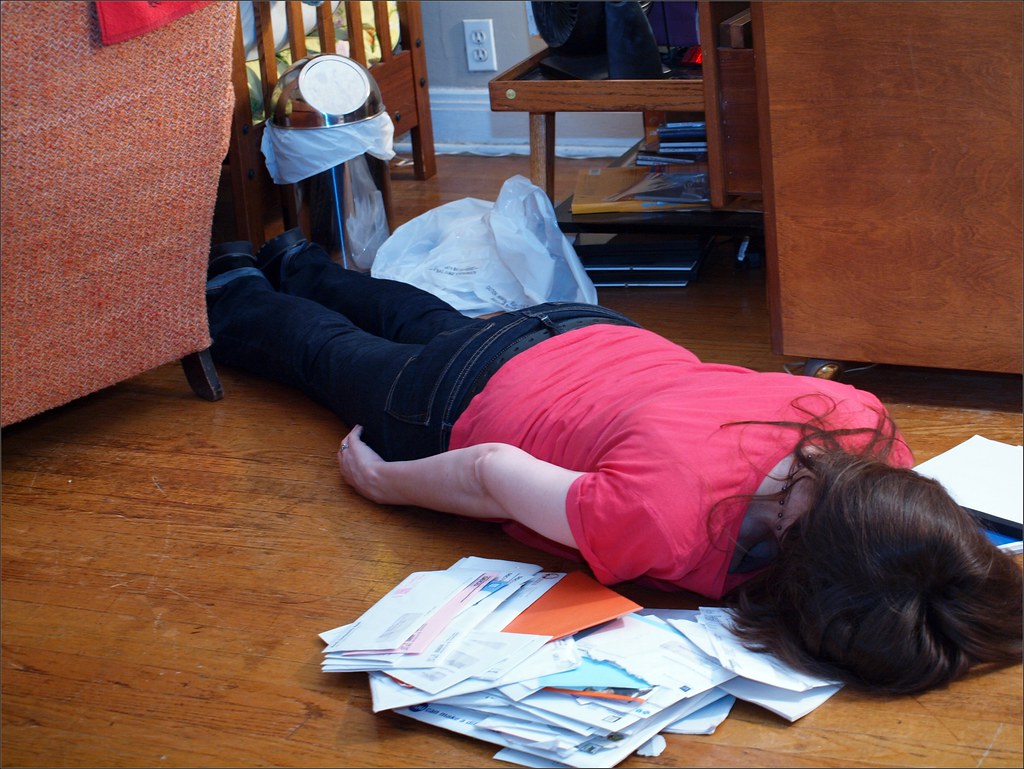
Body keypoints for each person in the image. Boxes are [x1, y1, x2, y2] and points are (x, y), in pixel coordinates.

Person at [206, 229, 1023, 696]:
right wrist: (384, 481)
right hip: (454, 401)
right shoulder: (661, 528)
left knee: (422, 313)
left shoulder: (862, 420)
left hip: (581, 330)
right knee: (328, 355)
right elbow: (489, 468)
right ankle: (228, 288)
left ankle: (296, 256)